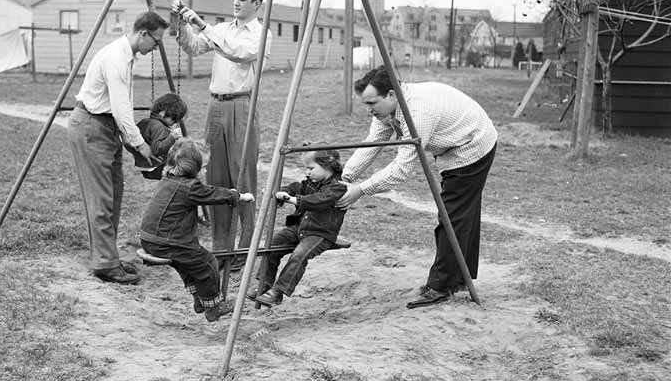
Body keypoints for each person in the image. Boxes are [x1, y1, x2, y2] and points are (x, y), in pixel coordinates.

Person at [337, 66, 497, 308]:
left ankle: (441, 286)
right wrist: (346, 177)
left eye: (372, 102)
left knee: (452, 216)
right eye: (365, 104)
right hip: (454, 145)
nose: (369, 109)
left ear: (391, 94)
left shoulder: (417, 111)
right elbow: (373, 143)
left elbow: (401, 169)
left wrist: (360, 190)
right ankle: (460, 277)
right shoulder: (387, 111)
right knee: (463, 214)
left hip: (472, 146)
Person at [171, 0, 270, 269]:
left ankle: (245, 250)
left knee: (242, 177)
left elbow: (238, 53)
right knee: (215, 179)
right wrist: (181, 23)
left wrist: (202, 25)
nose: (236, 2)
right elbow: (194, 47)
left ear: (256, 4)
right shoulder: (223, 29)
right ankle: (221, 249)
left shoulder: (259, 34)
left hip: (242, 105)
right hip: (216, 105)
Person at [68, 11, 167, 285]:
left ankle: (107, 256)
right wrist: (141, 145)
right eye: (156, 42)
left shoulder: (127, 57)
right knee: (101, 199)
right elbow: (122, 108)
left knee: (113, 196)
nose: (156, 48)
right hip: (91, 126)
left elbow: (122, 106)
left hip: (106, 127)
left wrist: (128, 138)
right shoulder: (116, 57)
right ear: (143, 34)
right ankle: (105, 264)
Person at [139, 139, 255, 322]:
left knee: (188, 266)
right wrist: (237, 195)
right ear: (192, 169)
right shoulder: (190, 187)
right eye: (204, 167)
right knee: (207, 263)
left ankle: (199, 300)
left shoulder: (168, 179)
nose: (206, 171)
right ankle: (214, 307)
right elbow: (212, 194)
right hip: (169, 242)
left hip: (151, 239)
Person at [254, 149, 347, 307]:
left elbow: (318, 200)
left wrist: (292, 200)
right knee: (273, 245)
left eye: (311, 168)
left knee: (299, 255)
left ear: (327, 166)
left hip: (320, 233)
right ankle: (265, 283)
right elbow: (297, 187)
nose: (308, 172)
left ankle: (277, 292)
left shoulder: (338, 187)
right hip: (301, 227)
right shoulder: (312, 181)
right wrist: (282, 190)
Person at [124, 92, 187, 180]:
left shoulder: (144, 121)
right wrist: (172, 137)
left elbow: (129, 141)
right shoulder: (160, 128)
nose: (175, 123)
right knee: (184, 167)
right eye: (175, 119)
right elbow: (157, 149)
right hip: (156, 167)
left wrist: (137, 154)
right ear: (163, 113)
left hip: (142, 165)